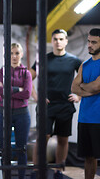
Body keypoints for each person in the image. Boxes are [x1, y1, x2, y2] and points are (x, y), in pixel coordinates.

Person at [30, 29, 82, 179]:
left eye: (61, 39)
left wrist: (79, 95)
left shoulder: (74, 60)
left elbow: (87, 78)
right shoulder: (43, 59)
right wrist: (36, 96)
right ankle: (36, 171)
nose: (58, 42)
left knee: (63, 139)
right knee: (42, 138)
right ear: (52, 41)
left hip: (65, 105)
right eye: (55, 39)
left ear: (66, 41)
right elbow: (28, 77)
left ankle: (58, 170)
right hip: (47, 105)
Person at [71, 28, 100, 179]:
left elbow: (97, 86)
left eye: (94, 42)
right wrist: (87, 90)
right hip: (84, 118)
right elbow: (73, 87)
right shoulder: (85, 64)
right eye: (89, 41)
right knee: (88, 157)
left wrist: (83, 87)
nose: (90, 45)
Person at [0, 42, 32, 179]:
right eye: (11, 53)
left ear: (21, 54)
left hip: (22, 114)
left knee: (21, 148)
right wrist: (17, 89)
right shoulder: (1, 72)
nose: (14, 56)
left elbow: (27, 93)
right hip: (3, 113)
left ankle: (21, 177)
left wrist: (7, 90)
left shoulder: (26, 73)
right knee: (2, 148)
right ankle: (3, 176)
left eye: (16, 53)